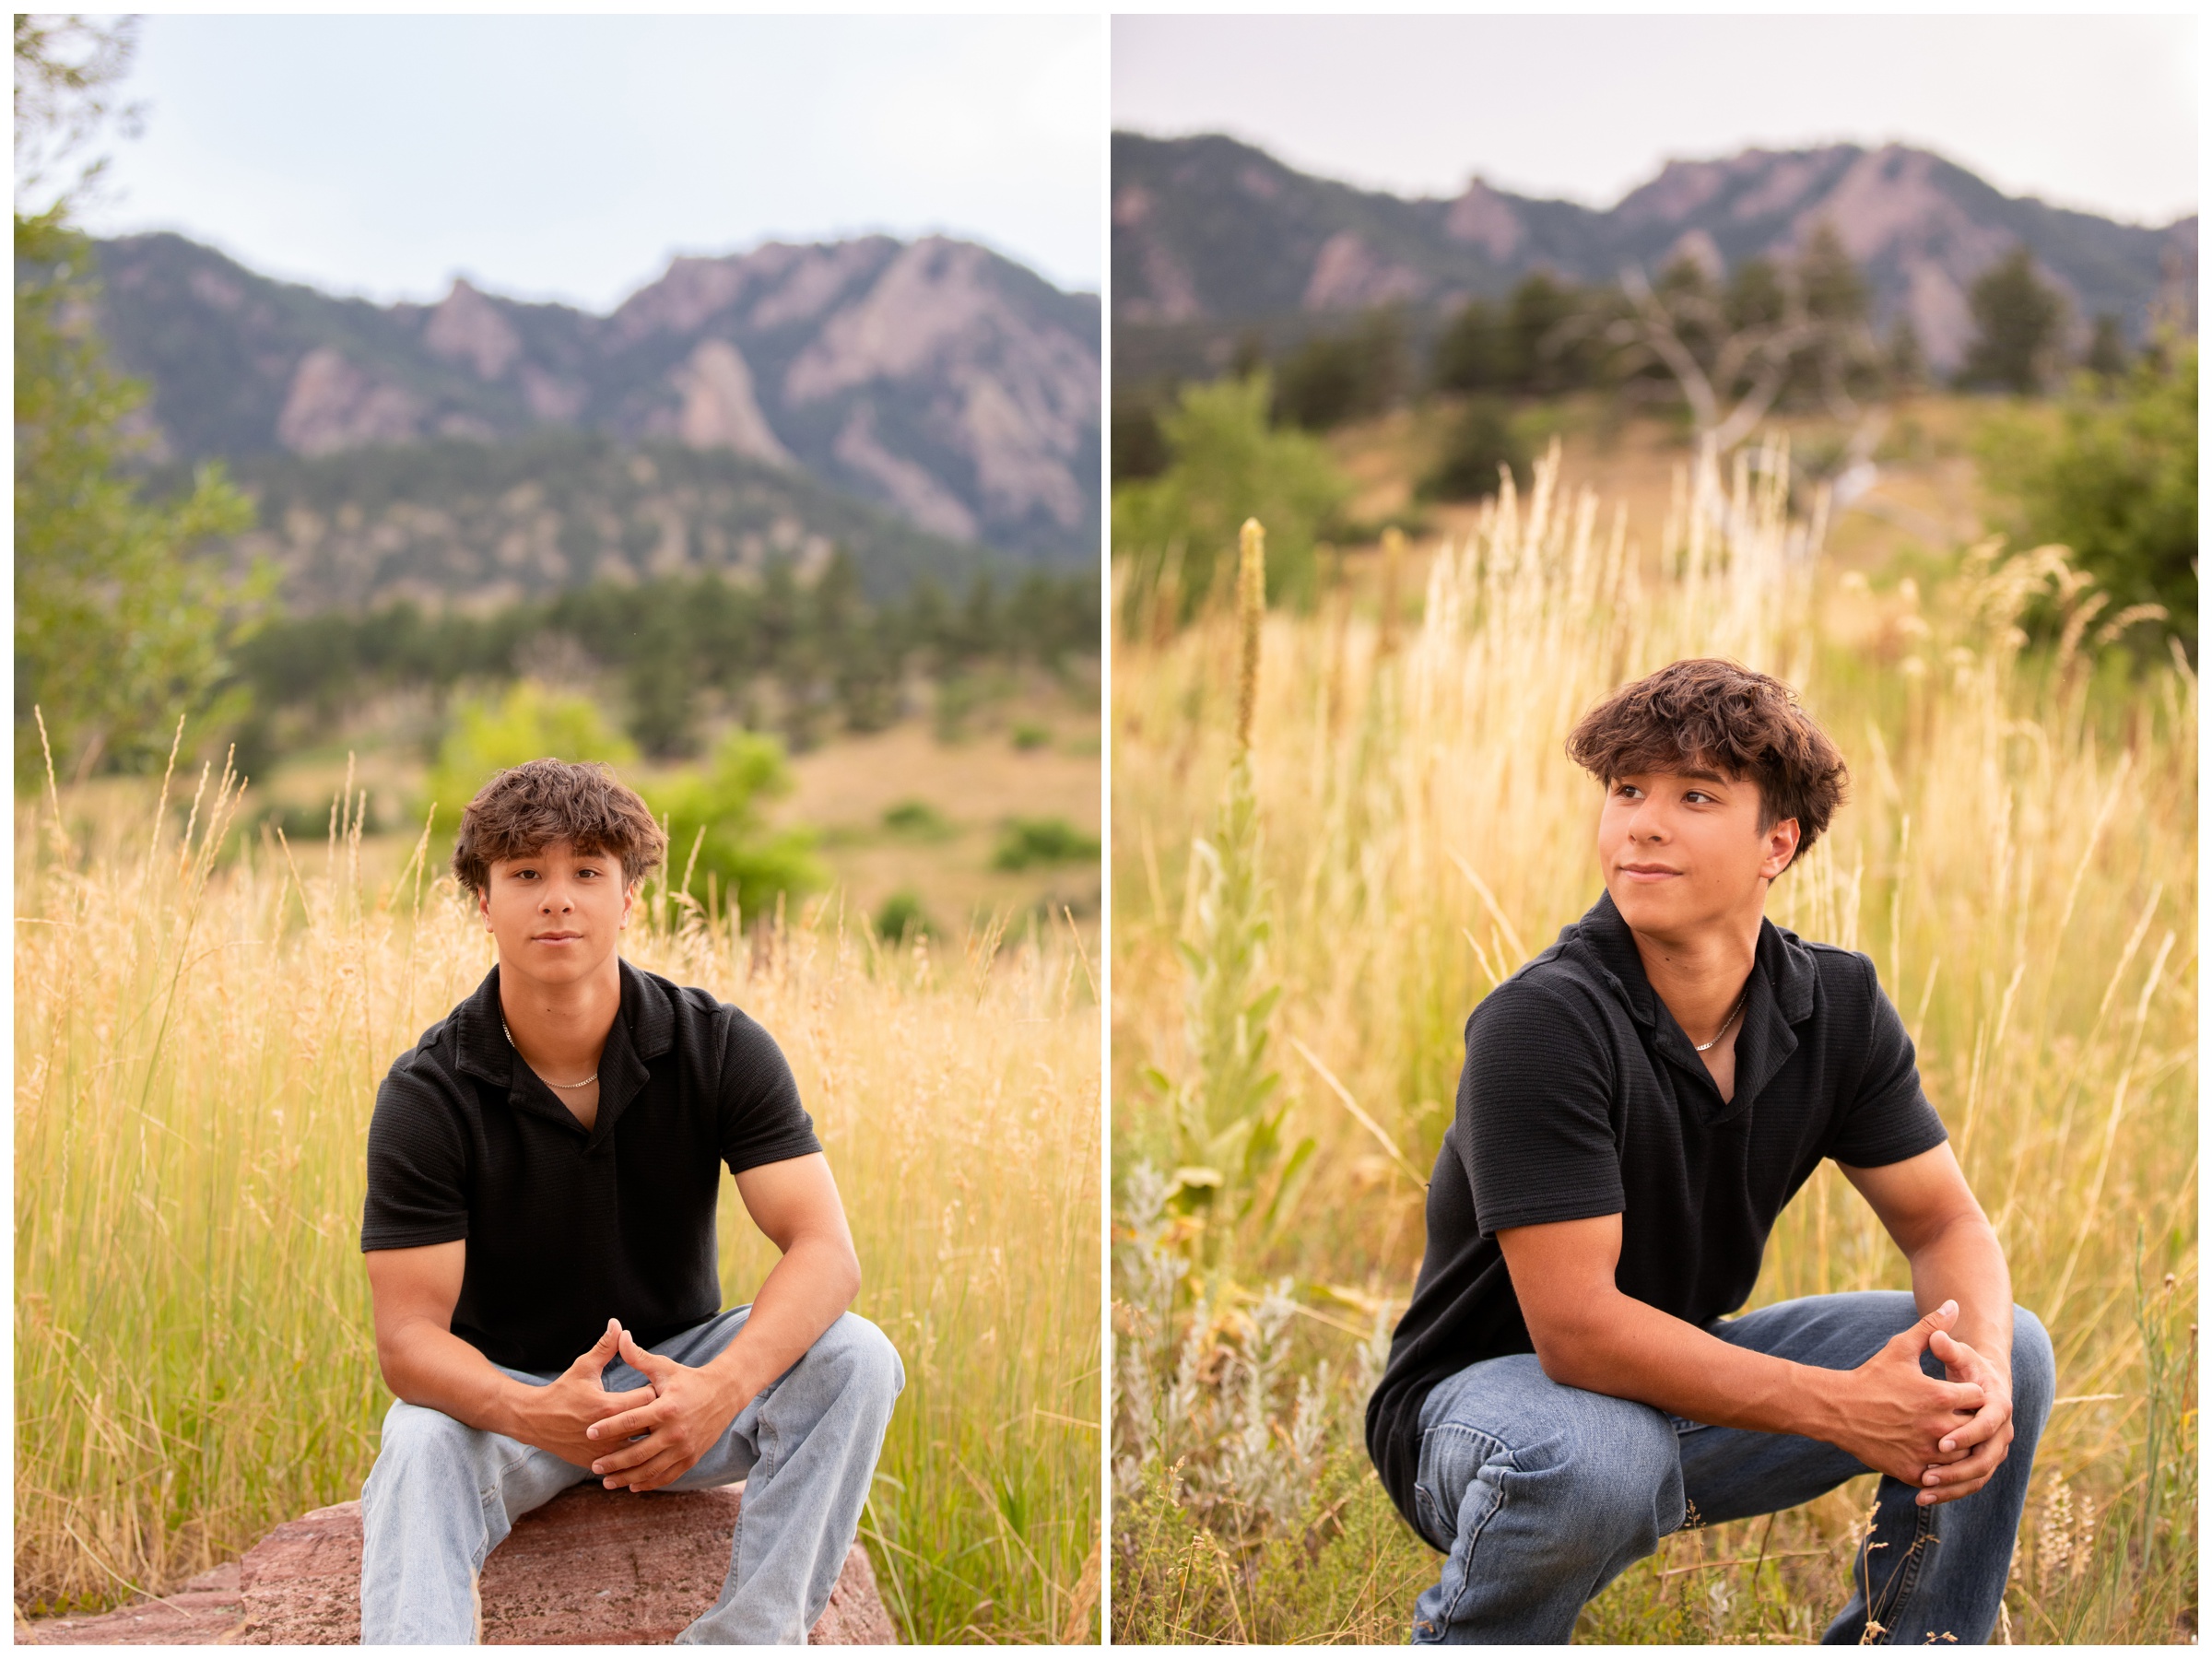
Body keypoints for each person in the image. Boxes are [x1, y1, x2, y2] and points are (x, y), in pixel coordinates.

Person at [1365, 658, 2053, 1645]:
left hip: (1671, 1398)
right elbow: (1577, 1333)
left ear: (1780, 841)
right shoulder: (1542, 1022)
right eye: (1626, 790)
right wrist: (1842, 1408)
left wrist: (1982, 1387)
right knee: (1600, 1455)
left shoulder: (1838, 1005)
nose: (1643, 825)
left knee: (2000, 1349)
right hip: (1489, 1416)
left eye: (1695, 796)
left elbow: (1945, 1222)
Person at [357, 758, 902, 1644]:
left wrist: (717, 1390)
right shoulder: (427, 1092)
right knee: (418, 1443)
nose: (557, 900)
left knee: (858, 1358)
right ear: (484, 901)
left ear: (629, 897)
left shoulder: (718, 1045)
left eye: (586, 871)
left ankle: (746, 1643)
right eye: (525, 874)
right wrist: (535, 1413)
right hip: (510, 1403)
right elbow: (408, 1342)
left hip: (675, 1384)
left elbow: (825, 1252)